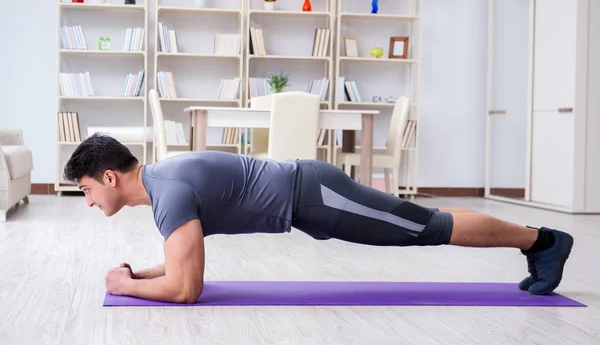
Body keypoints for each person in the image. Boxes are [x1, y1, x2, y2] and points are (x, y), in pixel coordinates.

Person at [63, 133, 574, 304]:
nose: (87, 201)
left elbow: (186, 289)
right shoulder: (163, 185)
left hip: (317, 194)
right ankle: (537, 242)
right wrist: (141, 273)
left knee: (428, 227)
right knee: (425, 221)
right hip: (311, 201)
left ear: (109, 178)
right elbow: (179, 266)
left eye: (85, 189)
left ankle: (542, 241)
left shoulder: (168, 193)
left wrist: (126, 287)